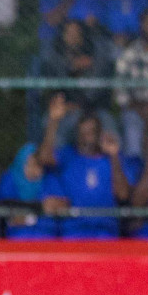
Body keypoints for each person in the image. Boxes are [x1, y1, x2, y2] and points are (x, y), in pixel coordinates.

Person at [36, 97, 134, 240]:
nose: (86, 137)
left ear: (100, 134)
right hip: (73, 232)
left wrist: (114, 156)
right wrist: (53, 121)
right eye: (83, 133)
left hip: (106, 232)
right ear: (76, 134)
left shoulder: (113, 160)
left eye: (91, 132)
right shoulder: (68, 155)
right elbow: (44, 158)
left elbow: (123, 195)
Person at [114, 7, 148, 157]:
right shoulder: (129, 55)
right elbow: (119, 93)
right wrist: (139, 107)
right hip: (136, 109)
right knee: (131, 124)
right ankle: (134, 168)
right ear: (141, 25)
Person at [0, 143, 59, 241]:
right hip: (17, 238)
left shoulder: (49, 179)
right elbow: (12, 217)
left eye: (38, 165)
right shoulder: (9, 180)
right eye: (30, 165)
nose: (35, 170)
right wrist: (38, 212)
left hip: (47, 237)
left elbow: (60, 204)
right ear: (21, 164)